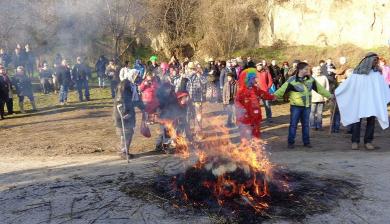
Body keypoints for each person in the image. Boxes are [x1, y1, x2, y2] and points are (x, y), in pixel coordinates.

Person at [335, 53, 390, 150]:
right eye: (374, 60)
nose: (376, 62)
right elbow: (349, 85)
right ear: (368, 61)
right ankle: (355, 141)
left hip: (372, 101)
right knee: (357, 121)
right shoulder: (357, 73)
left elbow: (382, 87)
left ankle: (368, 141)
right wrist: (338, 91)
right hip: (359, 101)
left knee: (371, 121)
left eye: (376, 61)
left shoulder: (377, 73)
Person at [274, 62, 333, 149]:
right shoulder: (292, 80)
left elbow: (320, 89)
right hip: (295, 107)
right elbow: (281, 90)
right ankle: (291, 143)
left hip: (307, 107)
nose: (308, 71)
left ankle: (306, 142)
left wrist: (329, 96)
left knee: (306, 125)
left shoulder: (310, 79)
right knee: (293, 125)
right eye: (306, 69)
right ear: (300, 70)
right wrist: (272, 96)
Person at [235, 68, 276, 142]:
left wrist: (272, 97)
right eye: (253, 78)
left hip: (255, 115)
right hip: (246, 116)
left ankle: (256, 143)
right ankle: (246, 145)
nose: (255, 80)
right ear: (248, 79)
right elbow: (237, 102)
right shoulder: (241, 91)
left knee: (256, 131)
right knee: (246, 133)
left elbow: (263, 94)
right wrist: (243, 111)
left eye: (255, 78)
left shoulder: (255, 89)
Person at [113, 79, 146, 159]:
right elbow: (119, 102)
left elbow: (134, 101)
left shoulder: (131, 87)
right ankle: (123, 152)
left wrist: (143, 107)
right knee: (125, 134)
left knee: (129, 133)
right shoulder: (123, 87)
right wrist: (124, 113)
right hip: (123, 115)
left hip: (129, 113)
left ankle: (126, 151)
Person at [187, 61, 207, 139]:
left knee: (198, 117)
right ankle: (187, 132)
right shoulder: (186, 75)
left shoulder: (199, 76)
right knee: (187, 116)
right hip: (188, 100)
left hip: (198, 99)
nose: (191, 70)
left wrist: (199, 74)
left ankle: (198, 133)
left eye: (193, 68)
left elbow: (205, 82)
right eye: (190, 68)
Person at [309, 66, 329, 131]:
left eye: (319, 69)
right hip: (312, 98)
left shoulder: (324, 77)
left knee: (319, 113)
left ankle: (319, 126)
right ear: (313, 70)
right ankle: (312, 126)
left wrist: (326, 97)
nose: (319, 71)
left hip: (321, 98)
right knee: (312, 112)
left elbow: (327, 88)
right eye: (317, 70)